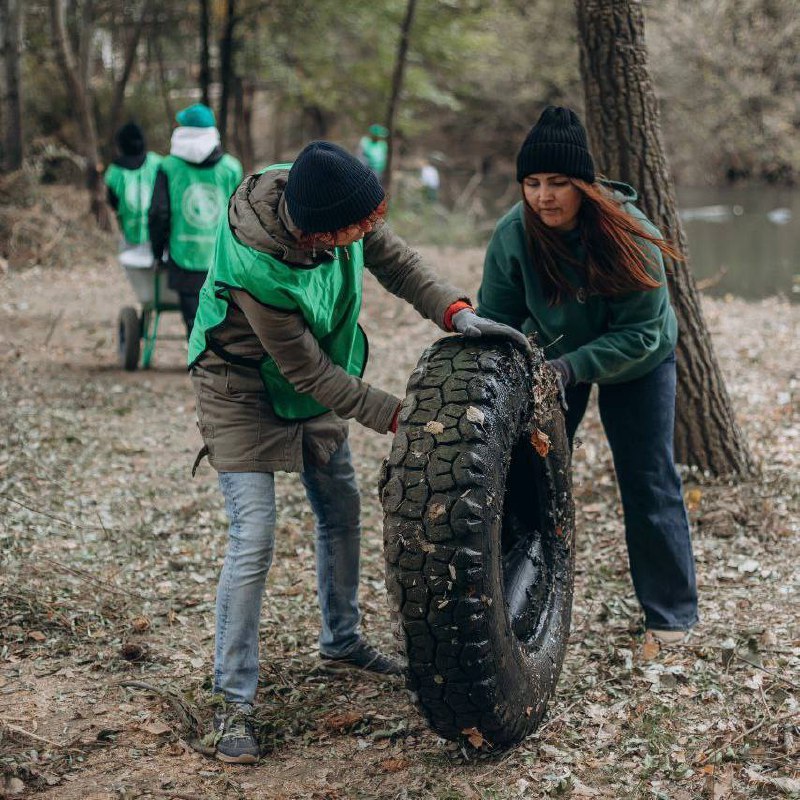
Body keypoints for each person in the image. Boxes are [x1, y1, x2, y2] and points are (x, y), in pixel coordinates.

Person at [188, 141, 528, 763]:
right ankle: (230, 701)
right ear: (318, 229)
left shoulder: (335, 204)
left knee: (341, 511)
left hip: (308, 382)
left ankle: (341, 640)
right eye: (359, 225)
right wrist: (402, 416)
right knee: (254, 536)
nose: (370, 229)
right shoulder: (257, 269)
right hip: (238, 387)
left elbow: (398, 263)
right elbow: (312, 374)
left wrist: (455, 312)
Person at [477, 106, 698, 647]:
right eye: (532, 183)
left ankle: (671, 617)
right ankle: (522, 601)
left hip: (637, 360)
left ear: (584, 184)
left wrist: (573, 367)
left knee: (647, 479)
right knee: (528, 472)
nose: (543, 196)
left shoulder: (631, 233)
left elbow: (644, 334)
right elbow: (498, 318)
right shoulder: (514, 233)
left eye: (558, 182)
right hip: (552, 356)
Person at [149, 103, 242, 337]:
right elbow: (241, 214)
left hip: (184, 255)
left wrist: (157, 253)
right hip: (222, 258)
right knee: (220, 313)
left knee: (194, 319)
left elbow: (158, 213)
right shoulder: (231, 168)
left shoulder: (168, 166)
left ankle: (197, 353)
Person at [104, 122, 162, 254]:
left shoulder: (114, 171)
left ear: (120, 144)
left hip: (129, 236)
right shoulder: (157, 163)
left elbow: (112, 203)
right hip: (157, 236)